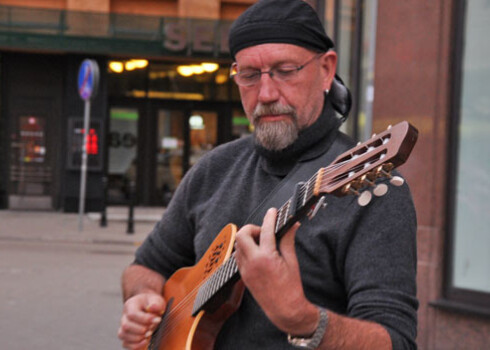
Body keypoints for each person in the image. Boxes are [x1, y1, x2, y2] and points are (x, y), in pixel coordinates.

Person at [118, 0, 418, 349]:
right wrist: (142, 300)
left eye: (286, 70)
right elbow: (146, 266)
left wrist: (300, 318)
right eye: (248, 75)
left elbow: (396, 342)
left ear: (326, 69)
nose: (266, 94)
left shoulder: (376, 193)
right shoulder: (214, 168)